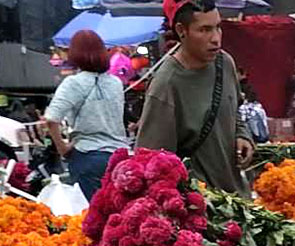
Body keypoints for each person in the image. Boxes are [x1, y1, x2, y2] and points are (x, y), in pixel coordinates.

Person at [136, 0, 254, 194]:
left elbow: (234, 111)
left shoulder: (224, 63)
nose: (216, 38)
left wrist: (242, 136)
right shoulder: (166, 85)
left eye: (218, 27)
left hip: (238, 197)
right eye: (205, 30)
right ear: (182, 30)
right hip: (200, 207)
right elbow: (151, 161)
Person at [44, 30, 127, 199]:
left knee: (92, 216)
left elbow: (52, 119)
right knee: (120, 216)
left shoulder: (73, 83)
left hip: (88, 157)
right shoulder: (116, 83)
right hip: (121, 158)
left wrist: (63, 148)